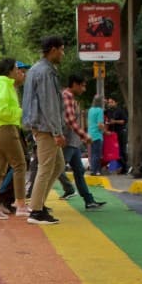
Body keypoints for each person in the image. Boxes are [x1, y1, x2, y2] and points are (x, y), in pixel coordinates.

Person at [21, 35, 67, 225]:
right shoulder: (46, 72)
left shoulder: (34, 70)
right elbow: (49, 104)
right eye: (62, 50)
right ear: (54, 49)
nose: (63, 54)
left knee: (58, 165)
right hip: (46, 127)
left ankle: (38, 203)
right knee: (46, 167)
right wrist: (57, 131)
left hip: (39, 124)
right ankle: (36, 211)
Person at [0, 57, 30, 219]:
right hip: (4, 128)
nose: (20, 72)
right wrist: (19, 112)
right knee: (20, 164)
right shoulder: (4, 86)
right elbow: (1, 110)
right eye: (17, 68)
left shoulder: (1, 84)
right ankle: (21, 203)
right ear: (10, 71)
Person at [61, 75, 106, 210]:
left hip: (73, 141)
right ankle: (38, 203)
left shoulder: (70, 97)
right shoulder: (67, 96)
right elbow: (70, 120)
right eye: (83, 85)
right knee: (56, 169)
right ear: (75, 84)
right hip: (68, 141)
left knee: (79, 170)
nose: (84, 89)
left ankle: (88, 200)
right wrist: (84, 135)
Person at [105, 97, 128, 173]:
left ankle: (125, 168)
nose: (110, 104)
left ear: (116, 103)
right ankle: (121, 166)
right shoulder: (108, 111)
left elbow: (124, 121)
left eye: (112, 102)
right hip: (112, 133)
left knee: (122, 150)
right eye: (109, 102)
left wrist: (115, 121)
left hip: (120, 132)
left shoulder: (120, 110)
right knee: (115, 151)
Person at [87, 95, 105, 175]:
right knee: (97, 153)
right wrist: (104, 130)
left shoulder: (90, 110)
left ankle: (93, 169)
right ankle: (96, 170)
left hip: (90, 133)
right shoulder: (100, 110)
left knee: (93, 153)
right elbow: (100, 124)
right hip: (97, 134)